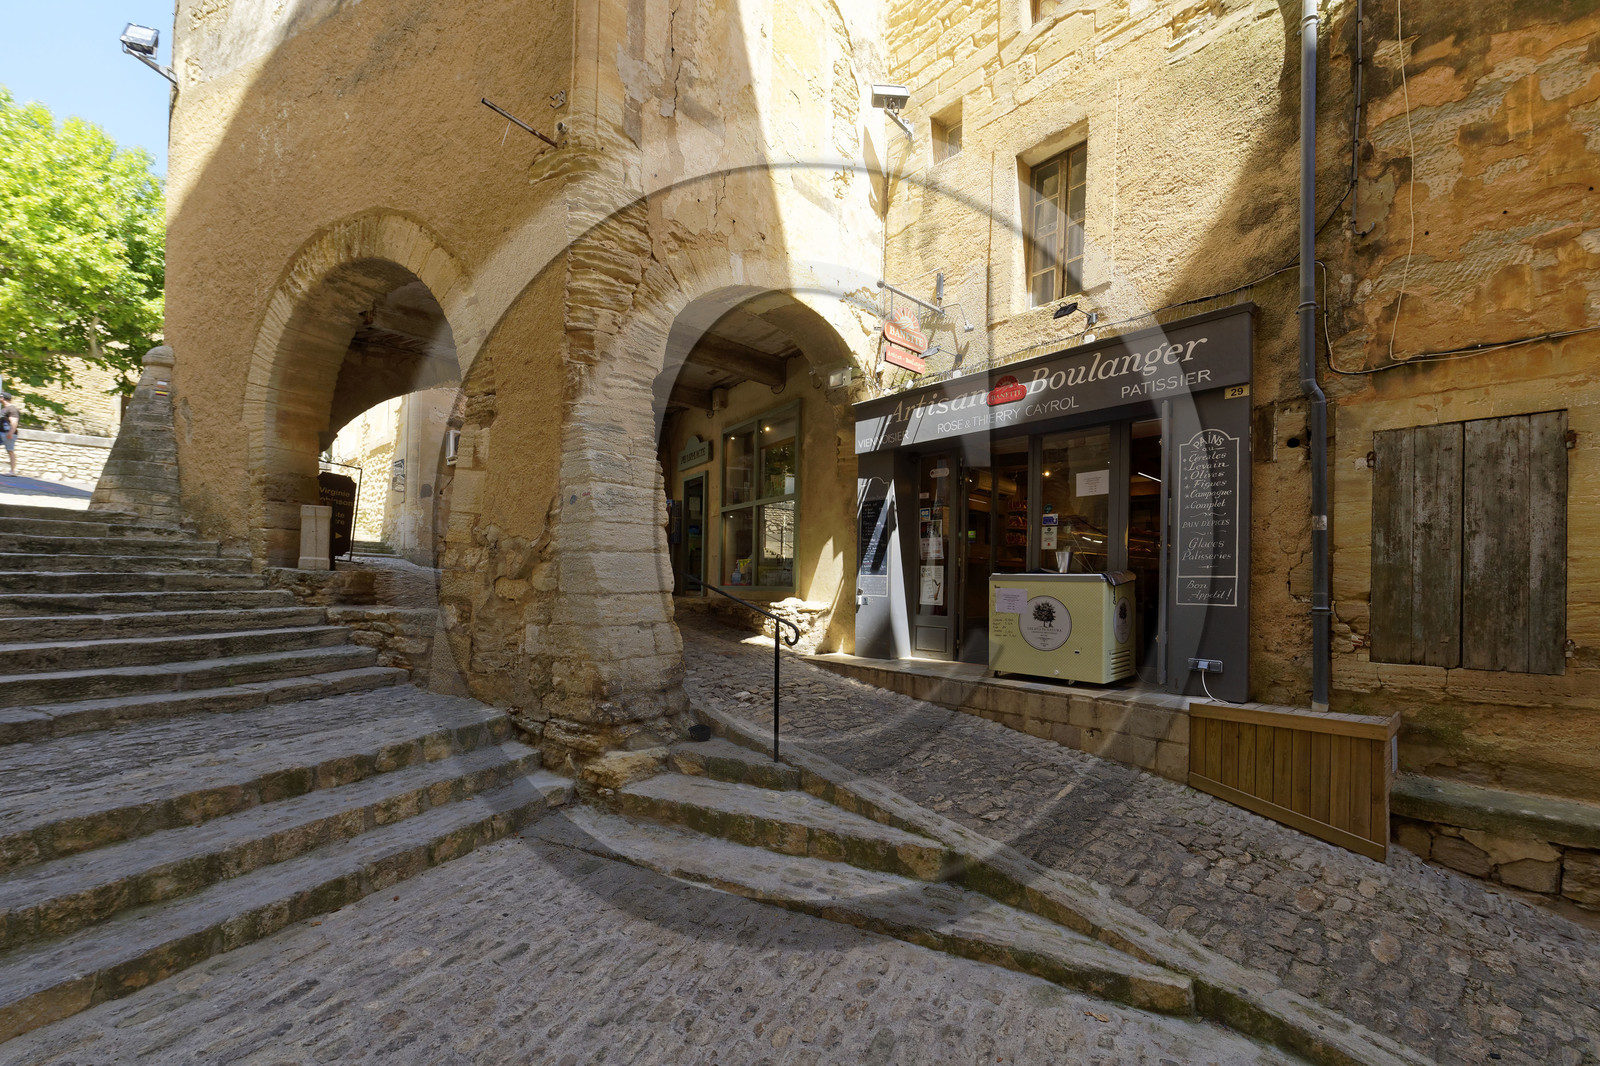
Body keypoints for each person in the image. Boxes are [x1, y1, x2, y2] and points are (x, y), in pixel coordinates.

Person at [0, 394, 18, 476]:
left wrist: (10, 432)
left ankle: (12, 471)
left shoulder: (12, 409)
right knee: (10, 451)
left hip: (8, 433)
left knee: (10, 451)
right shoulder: (4, 409)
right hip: (2, 432)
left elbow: (14, 421)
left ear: (3, 398)